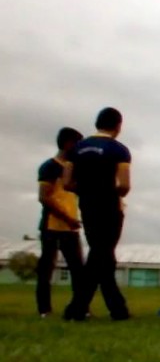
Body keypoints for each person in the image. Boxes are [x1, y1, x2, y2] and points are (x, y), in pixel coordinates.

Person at [61, 108, 132, 321]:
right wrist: (112, 191)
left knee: (102, 256)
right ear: (118, 126)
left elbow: (66, 182)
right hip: (110, 207)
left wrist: (84, 189)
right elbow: (124, 185)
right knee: (101, 256)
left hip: (87, 206)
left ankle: (117, 309)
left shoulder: (77, 149)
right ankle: (77, 308)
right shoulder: (119, 150)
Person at [35, 127, 85, 318]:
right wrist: (67, 218)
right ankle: (44, 309)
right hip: (52, 226)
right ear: (68, 144)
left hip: (71, 228)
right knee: (46, 268)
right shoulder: (50, 167)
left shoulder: (74, 170)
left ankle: (80, 307)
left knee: (78, 270)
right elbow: (44, 197)